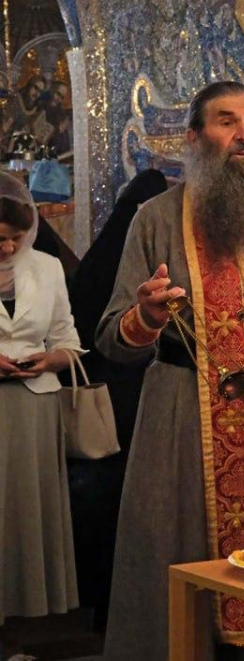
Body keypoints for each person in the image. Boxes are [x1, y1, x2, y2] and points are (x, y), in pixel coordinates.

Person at [97, 81, 244, 661]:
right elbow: (110, 336)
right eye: (227, 122)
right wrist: (146, 316)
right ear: (194, 138)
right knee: (184, 576)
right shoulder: (156, 220)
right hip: (186, 425)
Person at [66, 168, 168, 630]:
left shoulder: (105, 252)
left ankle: (109, 611)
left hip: (113, 401)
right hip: (129, 402)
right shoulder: (144, 243)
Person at [0, 173, 83, 632]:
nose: (8, 247)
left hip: (35, 410)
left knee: (27, 517)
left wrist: (51, 359)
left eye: (16, 237)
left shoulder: (48, 268)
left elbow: (68, 338)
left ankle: (19, 624)